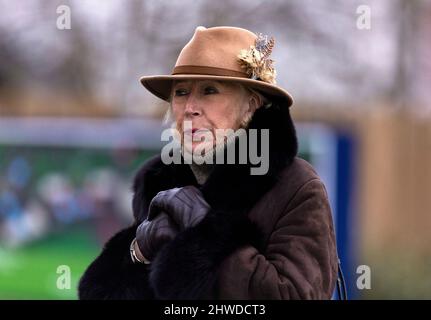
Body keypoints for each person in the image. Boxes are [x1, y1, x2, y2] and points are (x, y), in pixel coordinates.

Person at [78, 26, 339, 300]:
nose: (190, 107)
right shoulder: (160, 182)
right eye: (180, 92)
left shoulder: (296, 186)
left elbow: (295, 295)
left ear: (250, 105)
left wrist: (208, 232)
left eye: (209, 90)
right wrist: (137, 253)